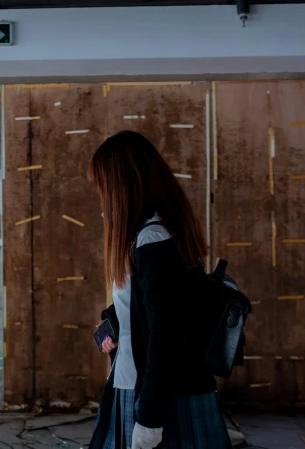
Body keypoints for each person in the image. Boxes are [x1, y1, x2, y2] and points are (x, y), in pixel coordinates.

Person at [88, 131, 230, 449]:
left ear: (123, 187)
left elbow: (164, 334)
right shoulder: (149, 234)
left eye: (104, 187)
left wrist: (149, 419)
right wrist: (113, 322)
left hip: (162, 395)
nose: (102, 197)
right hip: (140, 386)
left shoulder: (154, 240)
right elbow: (147, 305)